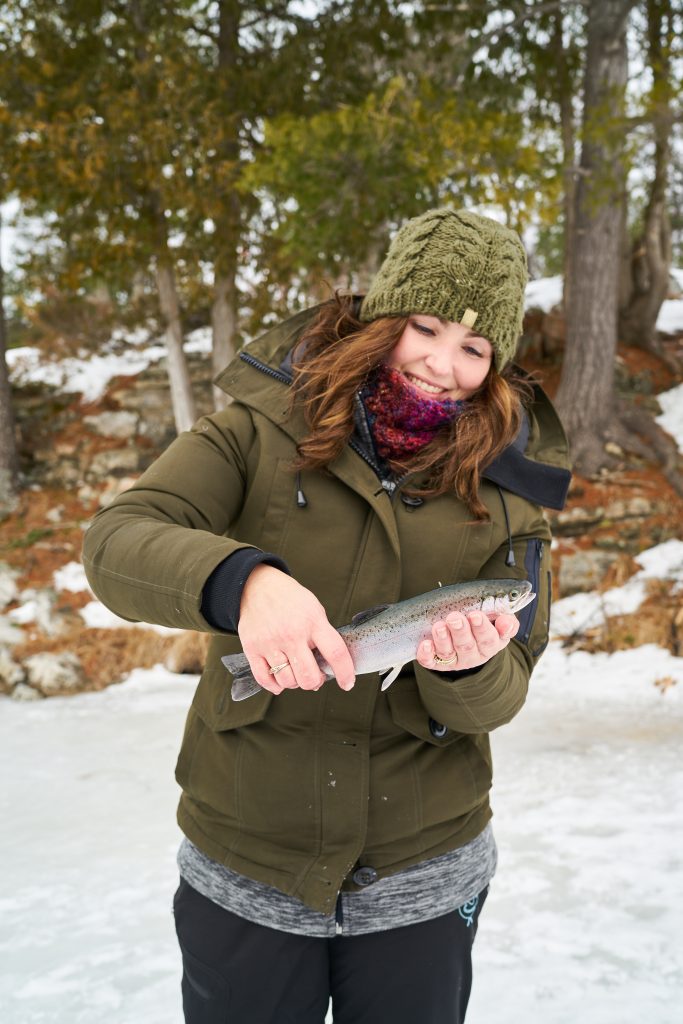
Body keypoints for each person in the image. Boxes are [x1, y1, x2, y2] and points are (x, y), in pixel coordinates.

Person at [83, 207, 571, 1024]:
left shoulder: (513, 492)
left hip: (422, 881)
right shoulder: (259, 426)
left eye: (474, 348)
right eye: (425, 326)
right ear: (386, 313)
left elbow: (507, 688)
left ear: (496, 365)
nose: (441, 364)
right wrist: (240, 580)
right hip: (246, 867)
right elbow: (117, 542)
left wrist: (468, 669)